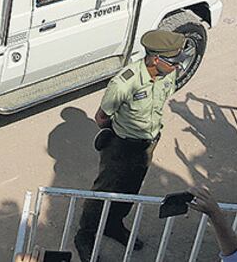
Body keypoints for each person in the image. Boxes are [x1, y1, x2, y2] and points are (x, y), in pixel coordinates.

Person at [74, 29, 188, 259]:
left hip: (148, 143)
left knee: (130, 189)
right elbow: (101, 118)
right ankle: (85, 234)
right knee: (104, 191)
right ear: (156, 59)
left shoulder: (168, 75)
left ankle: (113, 224)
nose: (177, 67)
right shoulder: (125, 82)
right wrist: (117, 136)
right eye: (173, 62)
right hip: (121, 146)